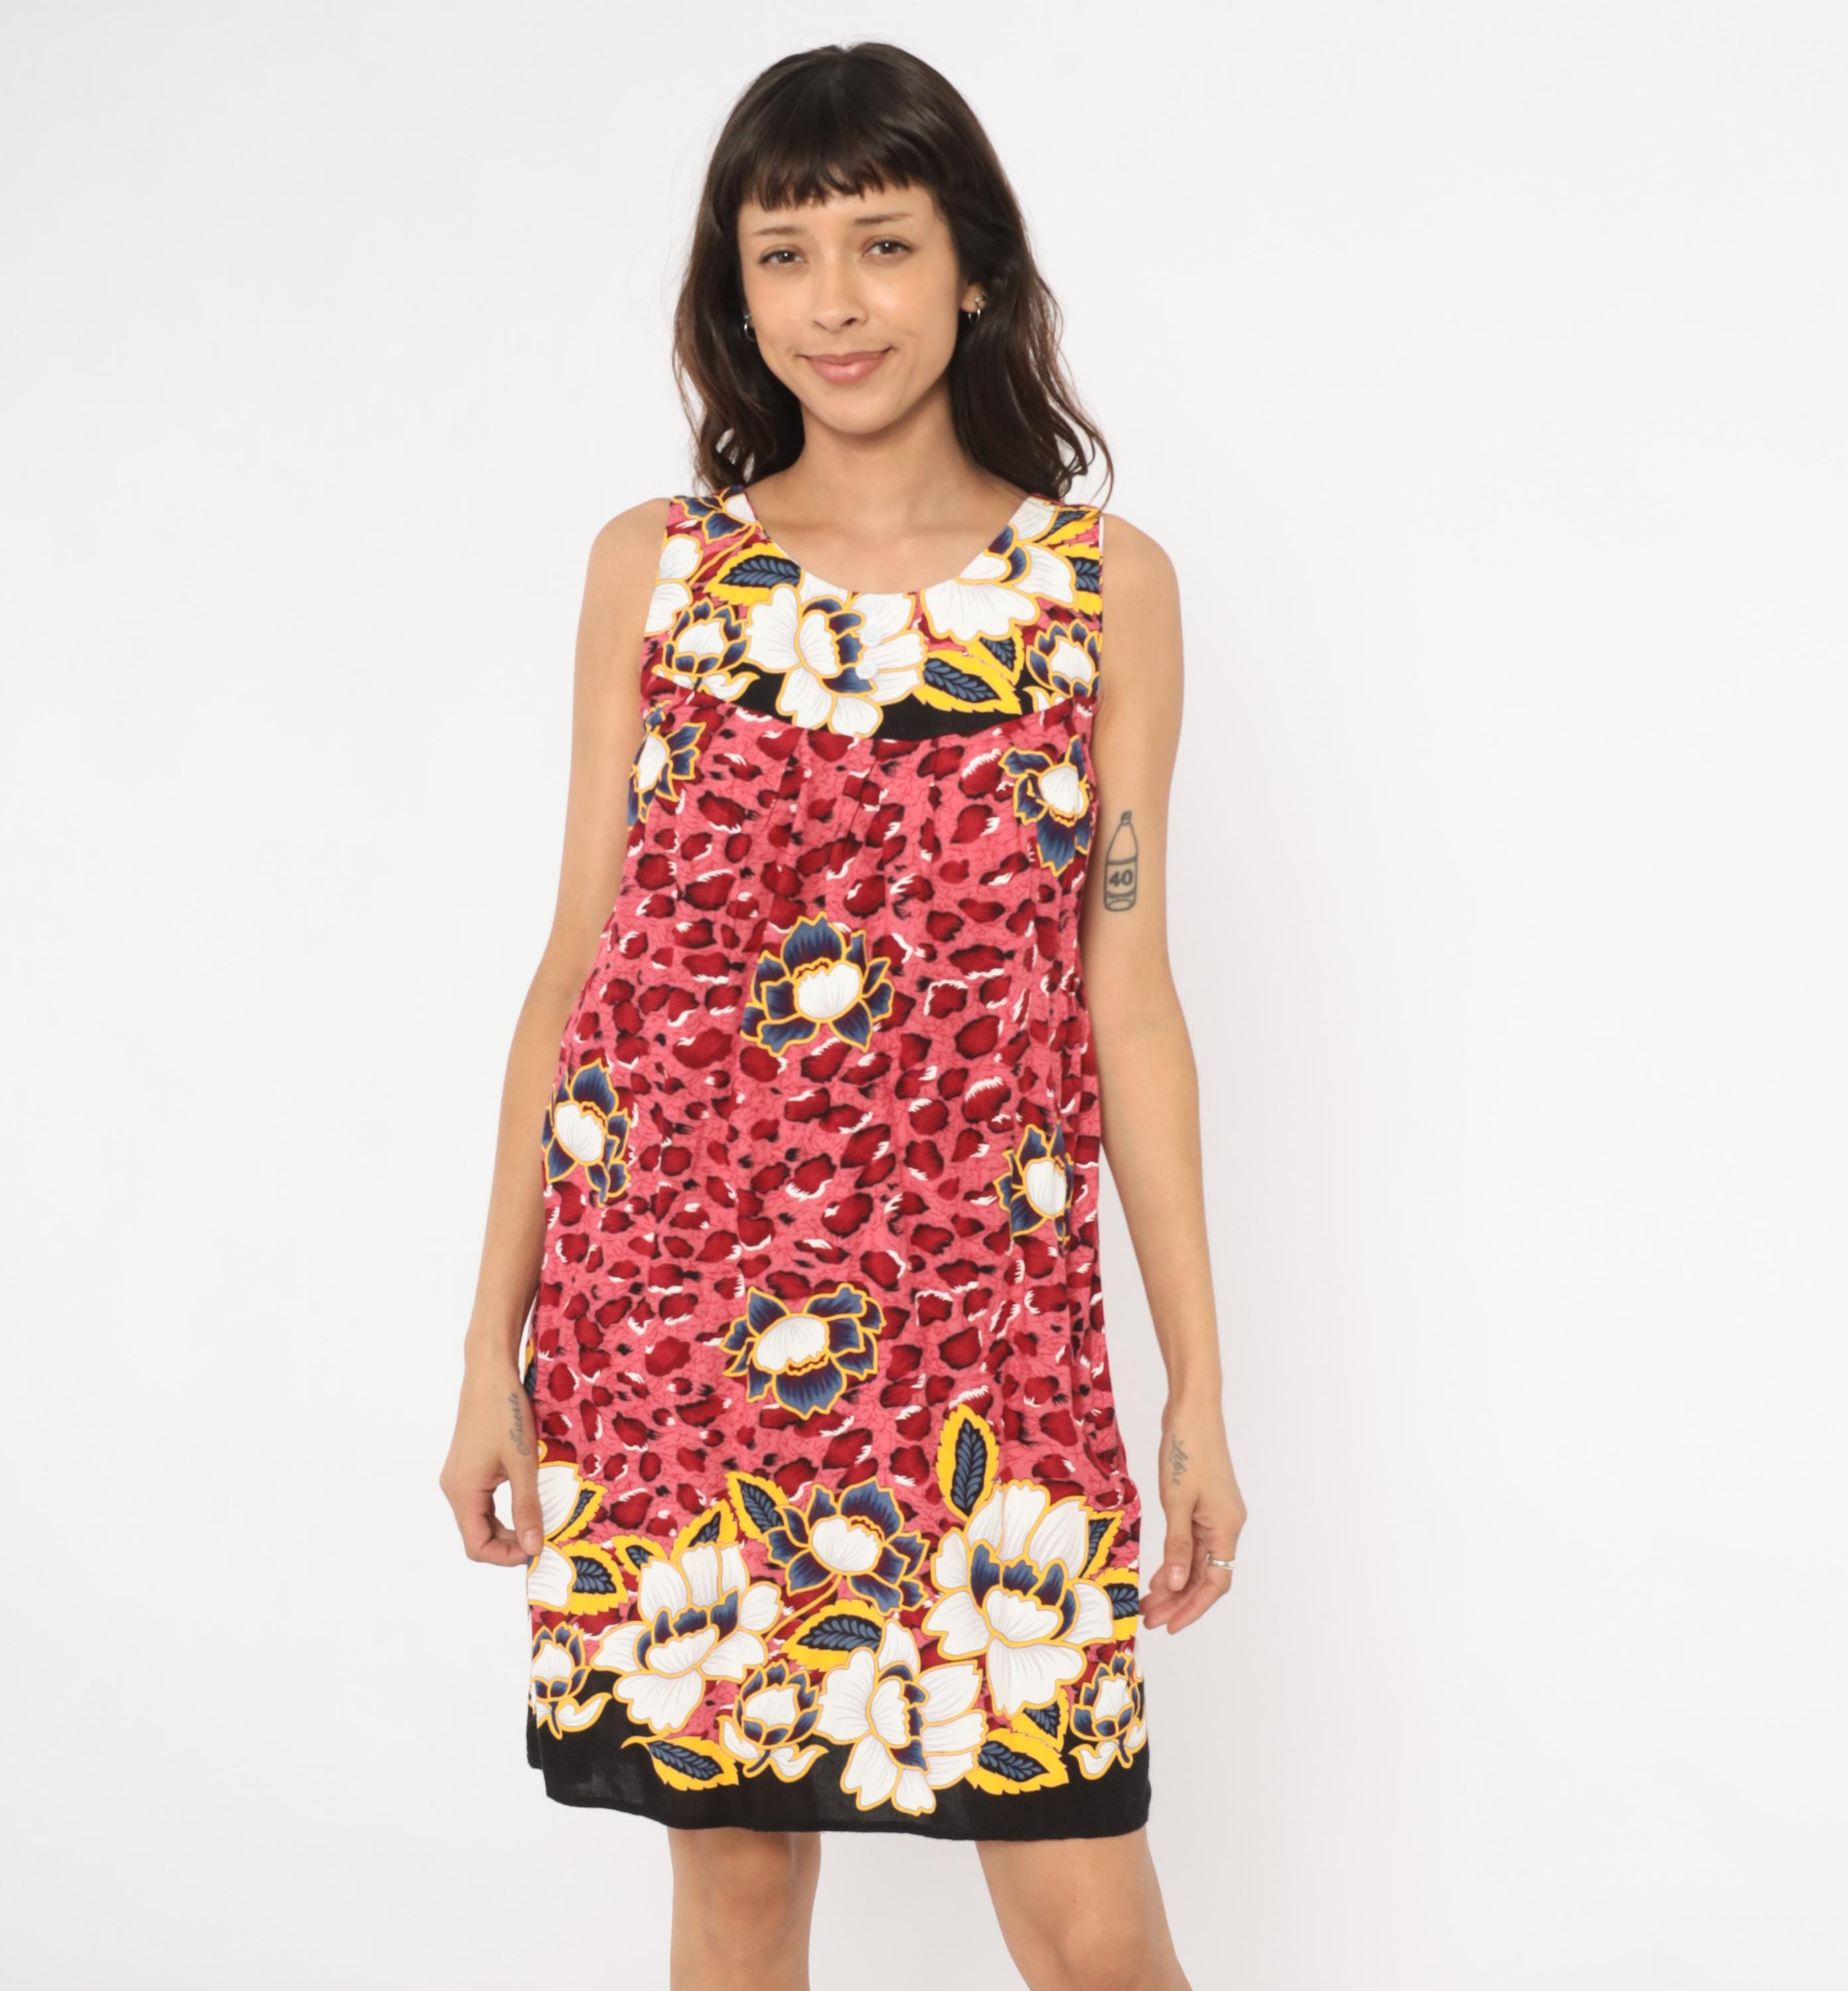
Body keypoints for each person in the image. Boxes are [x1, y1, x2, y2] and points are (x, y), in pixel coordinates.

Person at [439, 39, 1245, 1991]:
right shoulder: (658, 572)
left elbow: (1127, 995)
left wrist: (1198, 1386)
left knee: (1089, 1923)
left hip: (988, 1340)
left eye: (881, 244)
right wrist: (488, 1352)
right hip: (675, 1326)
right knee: (734, 1893)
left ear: (973, 268)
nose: (833, 304)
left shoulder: (1100, 591)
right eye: (782, 254)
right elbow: (577, 967)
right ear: (734, 291)